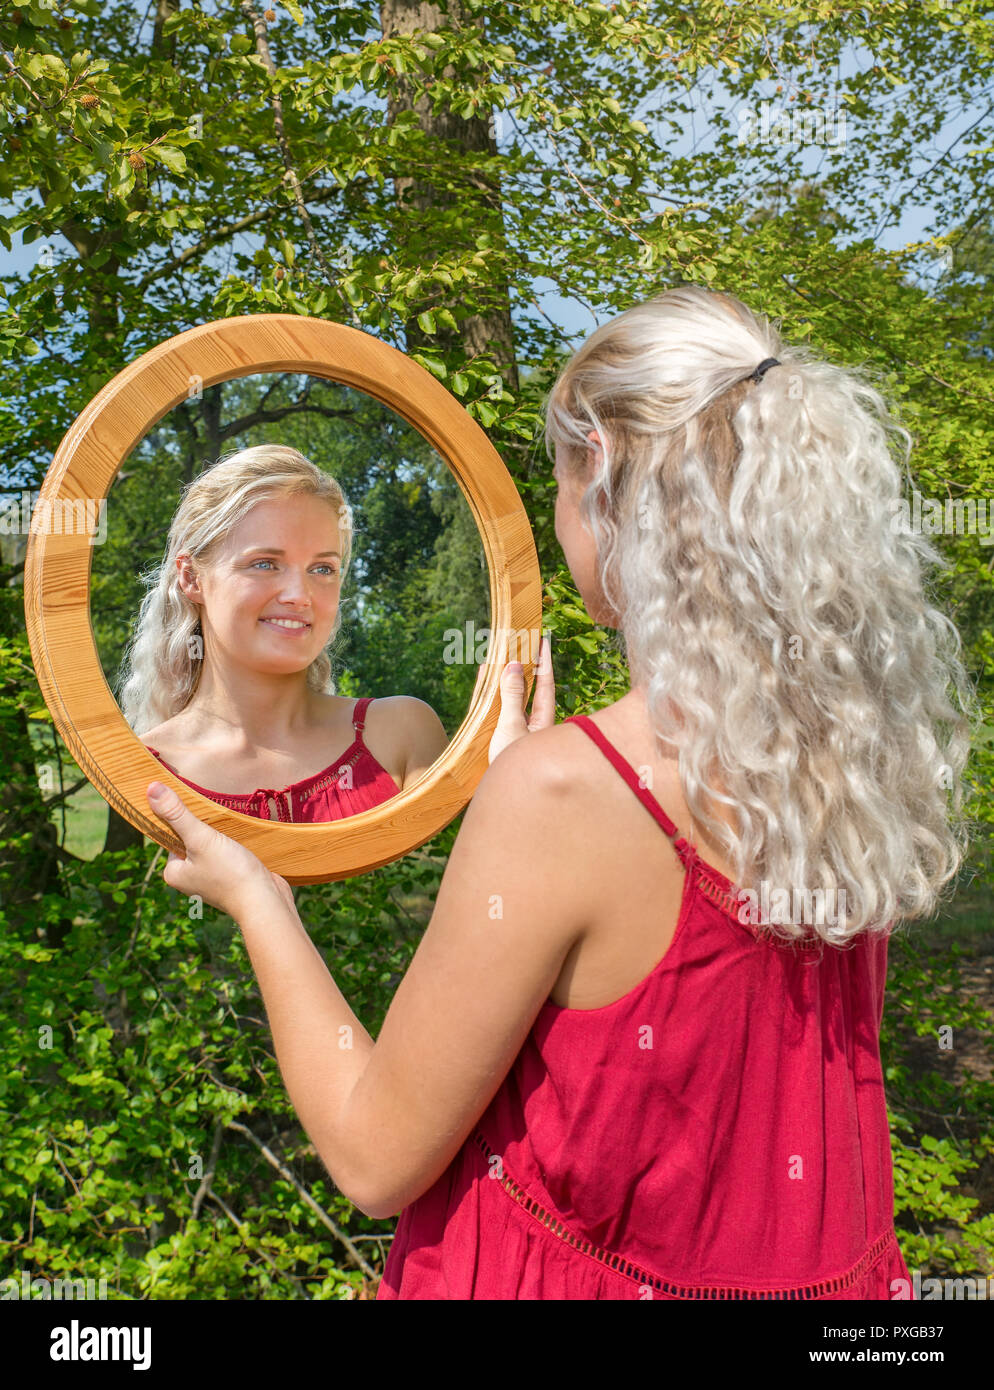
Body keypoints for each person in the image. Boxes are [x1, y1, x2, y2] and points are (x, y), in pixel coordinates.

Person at [145, 285, 977, 1299]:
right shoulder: (844, 755)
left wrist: (257, 897)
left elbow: (373, 1159)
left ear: (606, 474)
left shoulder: (568, 793)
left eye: (557, 473)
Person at [118, 445, 450, 822]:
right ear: (191, 577)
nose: (299, 596)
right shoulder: (146, 773)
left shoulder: (402, 735)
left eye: (322, 569)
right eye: (265, 564)